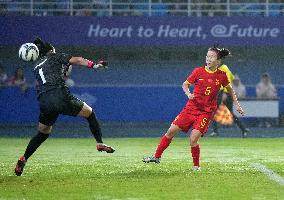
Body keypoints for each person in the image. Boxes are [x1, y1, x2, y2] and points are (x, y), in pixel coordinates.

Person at [15, 38, 115, 176]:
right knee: (90, 113)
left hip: (44, 100)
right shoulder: (54, 56)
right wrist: (95, 65)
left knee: (43, 133)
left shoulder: (36, 67)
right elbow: (78, 60)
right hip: (60, 95)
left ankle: (24, 158)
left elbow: (57, 74)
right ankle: (99, 143)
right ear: (50, 50)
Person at [142, 46, 245, 170]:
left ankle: (196, 166)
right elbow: (185, 84)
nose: (208, 59)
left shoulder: (221, 75)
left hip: (206, 112)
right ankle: (157, 157)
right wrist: (189, 94)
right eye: (207, 56)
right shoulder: (198, 71)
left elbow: (230, 90)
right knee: (170, 131)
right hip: (191, 108)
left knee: (193, 139)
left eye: (212, 56)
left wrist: (237, 105)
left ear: (218, 61)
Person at [210, 65, 249, 138]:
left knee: (214, 111)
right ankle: (243, 129)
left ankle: (215, 131)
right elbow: (231, 78)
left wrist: (225, 92)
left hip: (224, 93)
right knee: (230, 113)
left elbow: (227, 81)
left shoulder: (223, 68)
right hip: (225, 93)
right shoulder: (220, 69)